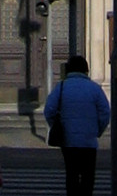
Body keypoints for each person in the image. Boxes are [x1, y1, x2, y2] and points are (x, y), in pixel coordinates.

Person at [43, 54, 110, 196]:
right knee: (88, 177)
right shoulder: (95, 88)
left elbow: (49, 109)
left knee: (71, 175)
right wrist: (98, 130)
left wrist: (56, 125)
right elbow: (105, 112)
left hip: (68, 140)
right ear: (86, 70)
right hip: (89, 141)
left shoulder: (61, 87)